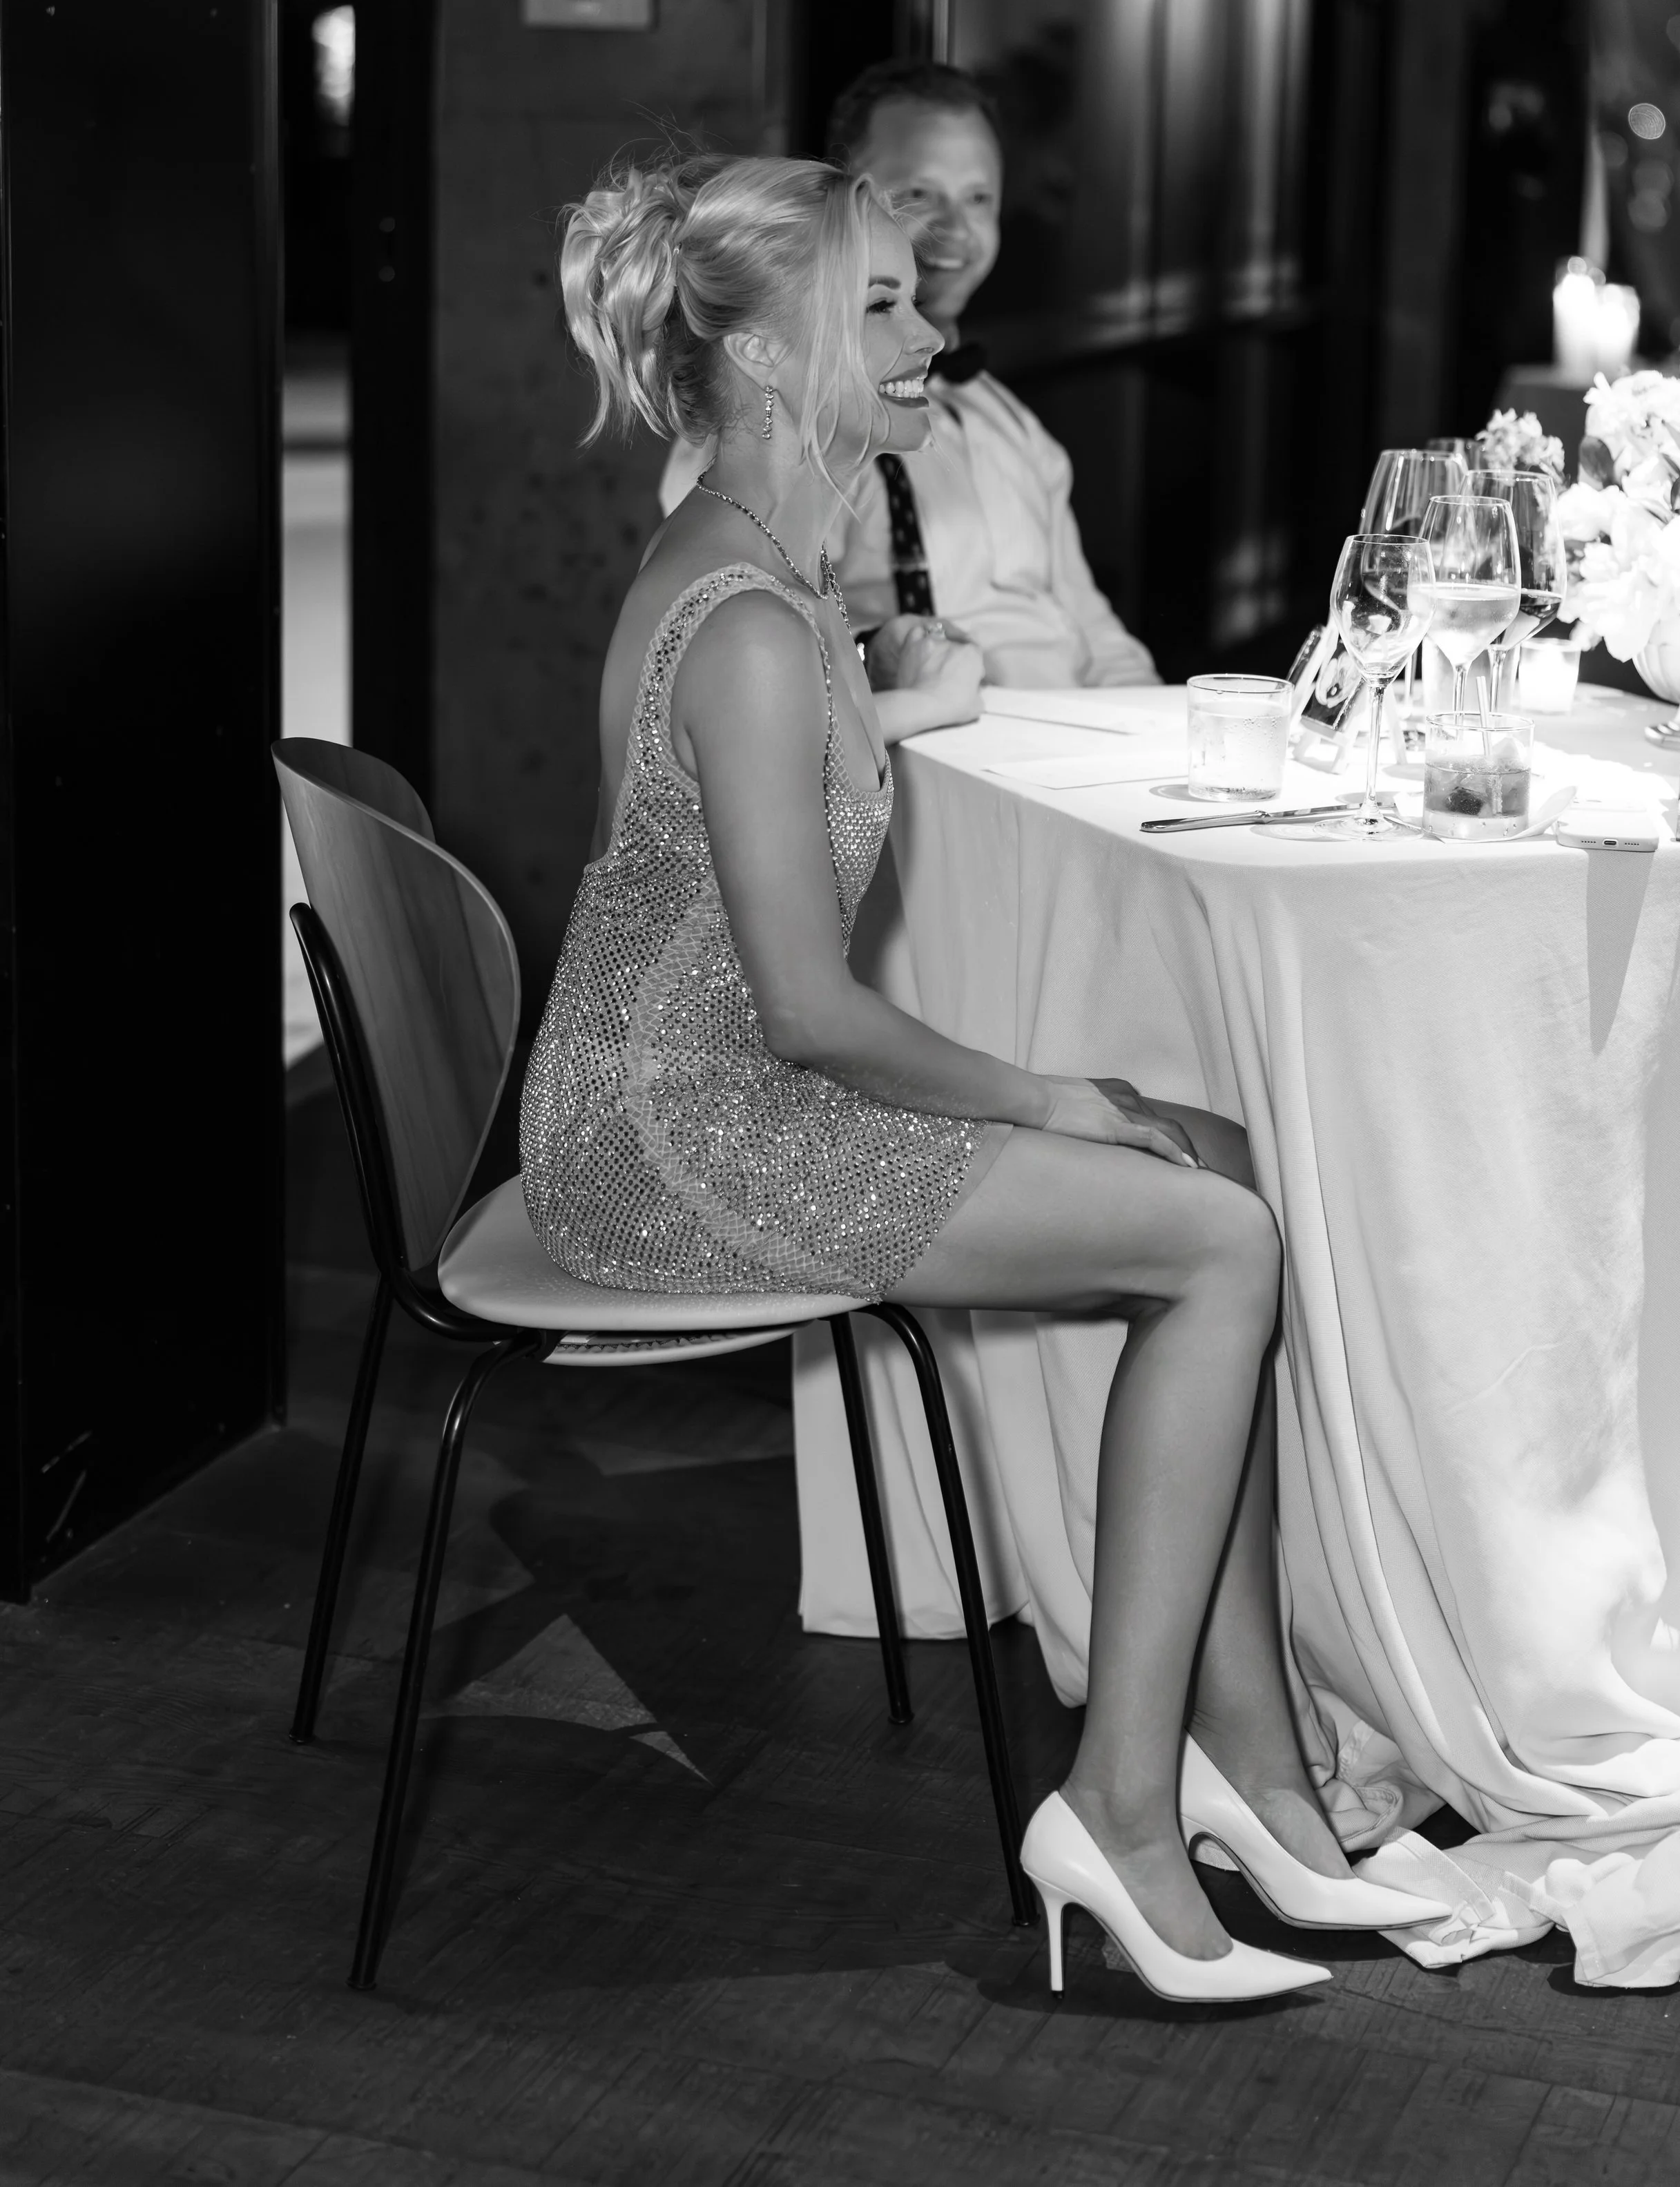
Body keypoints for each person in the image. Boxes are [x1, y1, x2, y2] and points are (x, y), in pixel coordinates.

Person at [521, 147, 1438, 2002]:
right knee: (1220, 1241)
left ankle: (1249, 1773)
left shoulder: (757, 569)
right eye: (877, 304)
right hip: (672, 1139)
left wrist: (1077, 1098)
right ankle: (1117, 1801)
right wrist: (1040, 1092)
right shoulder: (760, 623)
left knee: (1214, 1155)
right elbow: (806, 1012)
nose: (930, 327)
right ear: (770, 363)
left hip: (701, 1093)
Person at [659, 59, 1157, 697]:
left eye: (980, 198)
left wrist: (1160, 730)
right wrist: (880, 662)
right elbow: (724, 631)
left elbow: (1093, 630)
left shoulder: (1011, 424)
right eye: (920, 194)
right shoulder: (778, 410)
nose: (955, 227)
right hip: (925, 769)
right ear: (854, 203)